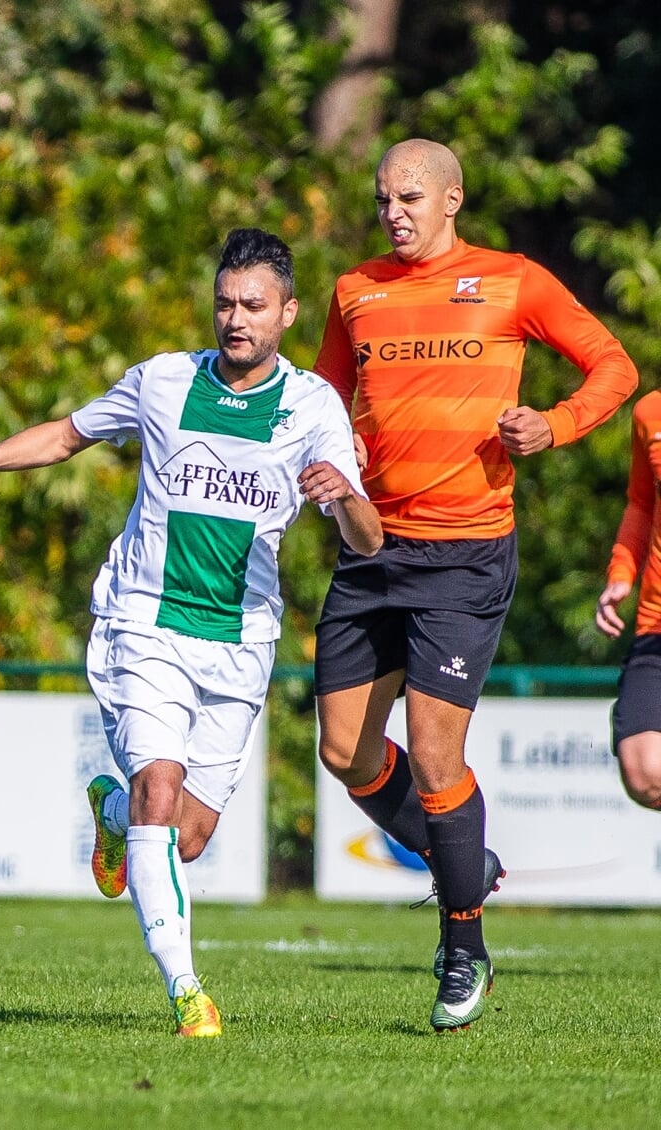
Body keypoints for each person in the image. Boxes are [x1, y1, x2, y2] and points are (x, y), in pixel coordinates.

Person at [0, 229, 381, 1038]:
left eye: (254, 306)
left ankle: (112, 816)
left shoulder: (314, 405)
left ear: (288, 313)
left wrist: (345, 497)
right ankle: (188, 994)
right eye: (224, 302)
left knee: (184, 833)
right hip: (142, 620)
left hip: (240, 639)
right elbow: (70, 433)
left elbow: (367, 540)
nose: (235, 319)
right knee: (160, 784)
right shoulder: (164, 380)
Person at [311, 139, 637, 1030]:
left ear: (452, 199)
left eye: (410, 197)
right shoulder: (354, 291)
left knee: (438, 751)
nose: (394, 212)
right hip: (371, 547)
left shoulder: (514, 280)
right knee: (345, 753)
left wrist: (556, 425)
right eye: (383, 199)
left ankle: (465, 948)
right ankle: (463, 856)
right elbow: (320, 407)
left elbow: (614, 365)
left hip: (465, 553)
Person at [595, 389, 661, 810]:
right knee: (645, 774)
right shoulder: (650, 411)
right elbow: (641, 503)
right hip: (656, 623)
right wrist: (622, 572)